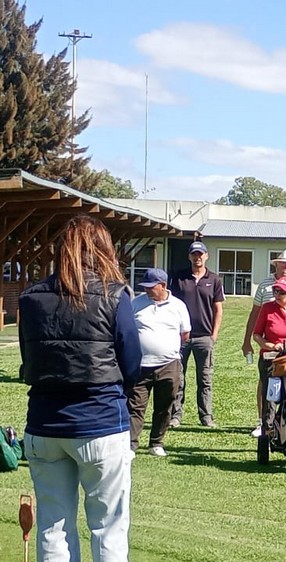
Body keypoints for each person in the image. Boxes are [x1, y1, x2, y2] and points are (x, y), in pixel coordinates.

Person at [18, 214, 142, 562]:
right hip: (100, 421)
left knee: (52, 527)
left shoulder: (31, 298)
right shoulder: (114, 295)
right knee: (108, 529)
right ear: (104, 250)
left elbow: (28, 362)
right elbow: (131, 361)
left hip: (45, 424)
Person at [245, 249, 286, 436]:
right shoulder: (265, 289)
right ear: (277, 264)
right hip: (270, 352)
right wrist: (250, 342)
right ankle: (265, 425)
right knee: (269, 389)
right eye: (284, 264)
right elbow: (255, 316)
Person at [128, 268, 191, 456]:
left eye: (151, 287)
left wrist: (166, 348)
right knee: (135, 406)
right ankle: (130, 445)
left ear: (163, 285)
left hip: (168, 364)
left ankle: (156, 443)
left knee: (164, 406)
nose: (146, 290)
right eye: (145, 286)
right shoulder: (135, 303)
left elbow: (185, 334)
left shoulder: (178, 306)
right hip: (140, 365)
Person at [169, 241, 225, 428]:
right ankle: (176, 416)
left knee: (205, 379)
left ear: (206, 256)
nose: (197, 257)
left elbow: (218, 309)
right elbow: (173, 307)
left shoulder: (215, 279)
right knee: (178, 377)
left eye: (201, 254)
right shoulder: (179, 278)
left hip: (204, 337)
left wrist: (213, 335)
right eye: (194, 254)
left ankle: (206, 416)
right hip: (182, 337)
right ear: (189, 257)